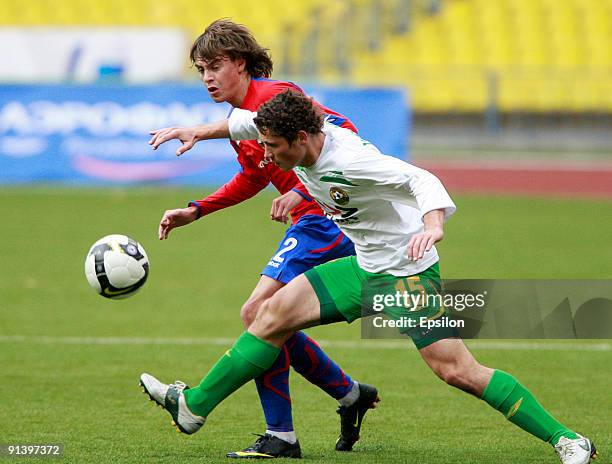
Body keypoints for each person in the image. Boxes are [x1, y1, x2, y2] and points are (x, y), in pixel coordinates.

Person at [141, 90, 598, 464]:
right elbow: (244, 123)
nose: (265, 154)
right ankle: (194, 407)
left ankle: (568, 440)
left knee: (457, 371)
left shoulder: (353, 162)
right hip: (363, 266)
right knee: (266, 315)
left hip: (405, 274)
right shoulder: (284, 134)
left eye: (273, 147)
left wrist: (434, 225)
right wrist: (198, 131)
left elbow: (421, 180)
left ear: (301, 138)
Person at [145, 20, 379, 459]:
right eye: (200, 69)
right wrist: (196, 210)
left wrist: (300, 188)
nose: (207, 77)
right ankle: (347, 397)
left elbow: (343, 131)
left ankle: (280, 434)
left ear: (241, 62)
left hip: (326, 219)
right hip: (311, 221)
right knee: (271, 317)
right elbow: (253, 176)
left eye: (215, 66)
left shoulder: (274, 96)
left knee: (258, 312)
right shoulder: (241, 119)